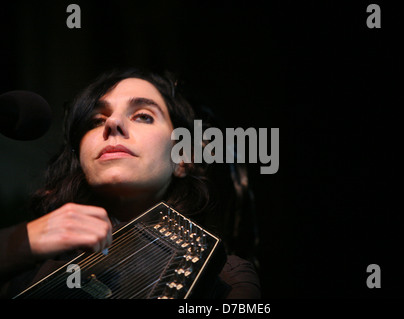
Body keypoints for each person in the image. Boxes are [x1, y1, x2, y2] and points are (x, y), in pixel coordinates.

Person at [0, 68, 260, 298]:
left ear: (183, 158)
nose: (112, 123)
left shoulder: (225, 277)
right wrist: (19, 242)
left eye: (143, 116)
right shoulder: (27, 265)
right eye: (96, 120)